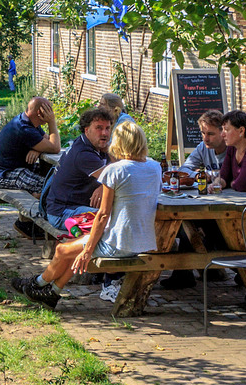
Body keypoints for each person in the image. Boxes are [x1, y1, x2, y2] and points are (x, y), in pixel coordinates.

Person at [13, 121, 162, 309]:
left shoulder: (116, 170)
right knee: (74, 247)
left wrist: (88, 250)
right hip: (143, 241)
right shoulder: (155, 167)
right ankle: (53, 293)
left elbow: (103, 215)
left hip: (118, 243)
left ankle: (36, 284)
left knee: (62, 250)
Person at [43, 105, 116, 232]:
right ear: (87, 130)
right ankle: (69, 251)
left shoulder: (94, 145)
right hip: (62, 213)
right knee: (112, 218)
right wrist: (105, 185)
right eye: (99, 128)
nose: (104, 133)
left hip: (75, 206)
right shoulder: (83, 154)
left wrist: (102, 186)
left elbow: (112, 176)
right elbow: (118, 178)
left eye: (107, 128)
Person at [0, 97, 59, 194]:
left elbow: (48, 141)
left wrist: (38, 149)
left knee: (56, 173)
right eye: (48, 111)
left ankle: (39, 196)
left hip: (19, 167)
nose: (51, 114)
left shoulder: (27, 121)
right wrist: (52, 122)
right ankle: (39, 199)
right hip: (5, 175)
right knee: (50, 186)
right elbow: (55, 148)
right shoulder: (24, 128)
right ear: (40, 112)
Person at [179, 109, 227, 175]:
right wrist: (197, 175)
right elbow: (183, 169)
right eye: (203, 133)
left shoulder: (234, 148)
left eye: (210, 134)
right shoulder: (203, 147)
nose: (206, 139)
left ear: (223, 132)